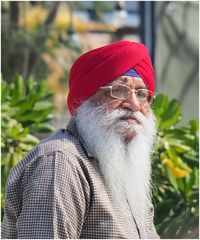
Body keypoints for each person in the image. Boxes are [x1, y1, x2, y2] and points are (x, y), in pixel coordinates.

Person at [2, 40, 160, 239]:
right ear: (84, 100)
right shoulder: (59, 163)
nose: (134, 104)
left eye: (142, 93)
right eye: (118, 90)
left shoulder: (126, 170)